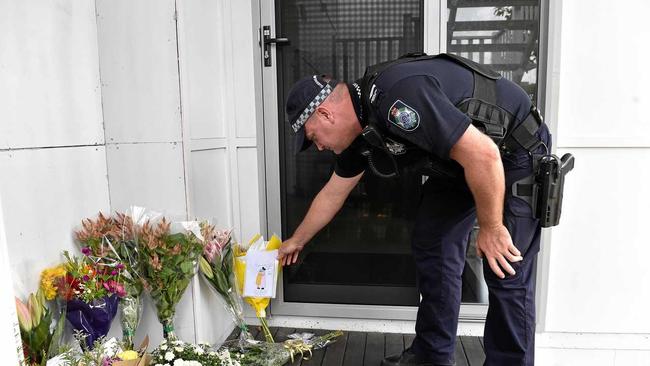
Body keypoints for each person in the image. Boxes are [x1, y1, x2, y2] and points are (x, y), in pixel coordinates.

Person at [278, 54, 552, 366]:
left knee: (504, 266)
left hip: (513, 151)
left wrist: (490, 228)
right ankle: (431, 356)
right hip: (460, 162)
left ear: (326, 115)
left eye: (313, 138)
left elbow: (484, 154)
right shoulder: (361, 128)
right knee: (433, 242)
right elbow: (333, 192)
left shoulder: (396, 97)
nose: (319, 147)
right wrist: (297, 240)